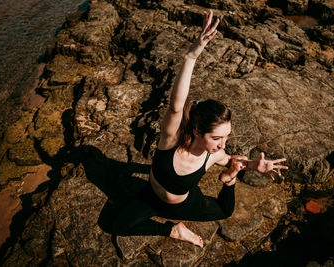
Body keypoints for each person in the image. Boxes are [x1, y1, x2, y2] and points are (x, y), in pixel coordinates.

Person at [112, 10, 288, 248]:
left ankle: (228, 182)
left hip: (184, 203)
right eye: (217, 137)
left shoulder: (215, 154)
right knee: (118, 225)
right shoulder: (171, 141)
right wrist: (191, 57)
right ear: (196, 131)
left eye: (226, 137)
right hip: (151, 197)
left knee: (225, 210)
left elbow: (232, 159)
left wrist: (252, 165)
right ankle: (174, 229)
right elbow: (176, 106)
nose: (222, 144)